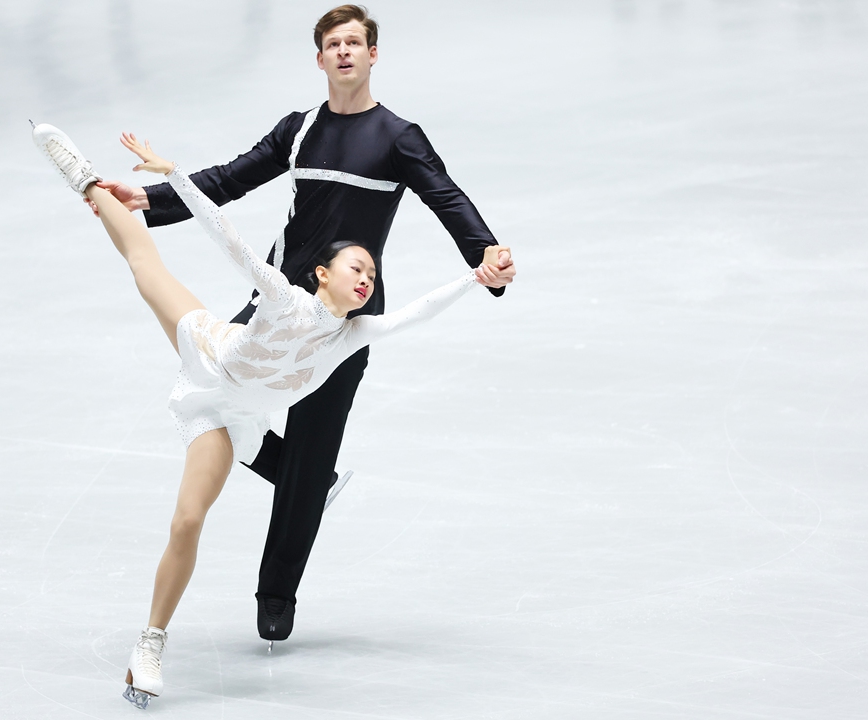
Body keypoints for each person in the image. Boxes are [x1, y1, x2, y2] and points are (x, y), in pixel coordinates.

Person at [87, 4, 517, 644]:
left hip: (345, 325)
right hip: (277, 305)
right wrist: (151, 198)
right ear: (319, 59)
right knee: (219, 390)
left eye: (355, 43)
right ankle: (297, 471)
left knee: (313, 453)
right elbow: (231, 179)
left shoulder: (399, 138)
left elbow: (445, 196)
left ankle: (276, 590)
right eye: (332, 44)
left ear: (373, 55)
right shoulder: (299, 129)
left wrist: (486, 253)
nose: (344, 52)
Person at [32, 122, 494, 705]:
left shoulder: (352, 336)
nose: (367, 277)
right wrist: (173, 174)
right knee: (144, 264)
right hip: (209, 360)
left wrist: (476, 277)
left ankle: (150, 642)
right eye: (357, 267)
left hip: (235, 417)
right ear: (322, 273)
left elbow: (417, 314)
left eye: (371, 274)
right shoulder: (283, 296)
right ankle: (87, 182)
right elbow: (225, 235)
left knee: (189, 519)